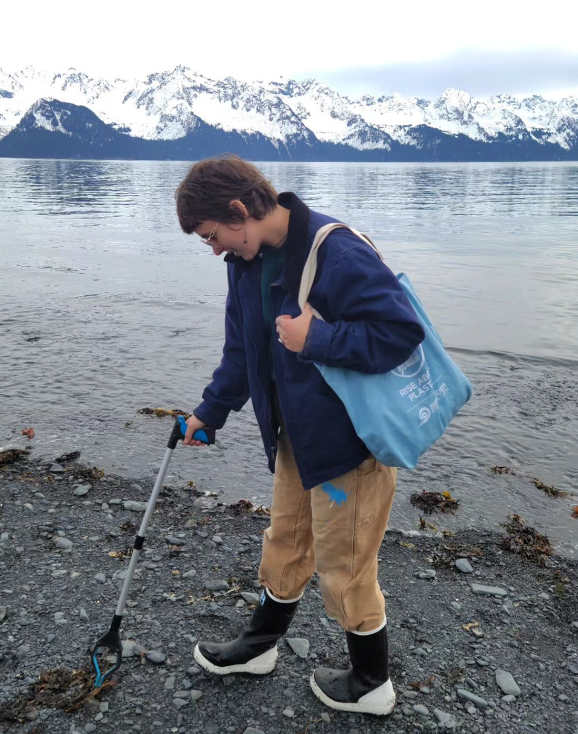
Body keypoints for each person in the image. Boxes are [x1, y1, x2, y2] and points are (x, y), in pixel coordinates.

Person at [174, 154, 425, 716]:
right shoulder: (246, 262)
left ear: (240, 210)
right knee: (285, 541)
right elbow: (241, 353)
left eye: (213, 235)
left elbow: (401, 333)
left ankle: (372, 682)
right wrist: (207, 414)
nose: (214, 248)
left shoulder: (335, 250)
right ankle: (259, 648)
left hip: (348, 452)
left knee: (346, 564)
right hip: (295, 442)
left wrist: (320, 340)